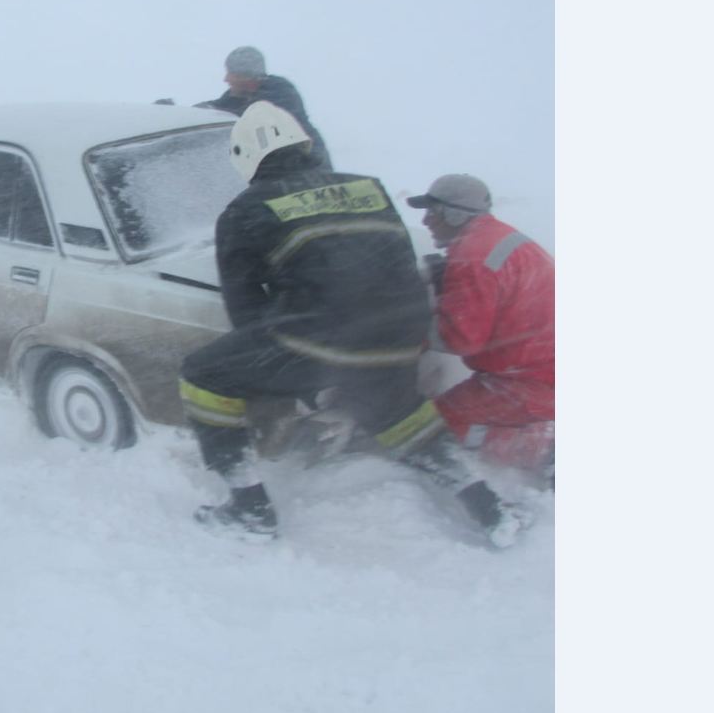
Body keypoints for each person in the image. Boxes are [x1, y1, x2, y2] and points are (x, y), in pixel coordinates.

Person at [179, 103, 526, 545]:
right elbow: (392, 258)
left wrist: (295, 380)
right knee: (400, 414)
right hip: (401, 334)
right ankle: (492, 512)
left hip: (326, 340)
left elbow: (245, 311)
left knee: (203, 374)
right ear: (305, 145)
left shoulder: (244, 211)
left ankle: (250, 510)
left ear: (246, 158)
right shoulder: (368, 188)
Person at [407, 174, 555, 485]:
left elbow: (461, 339)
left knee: (437, 427)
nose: (426, 220)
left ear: (455, 214)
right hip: (541, 367)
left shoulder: (472, 257)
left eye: (433, 212)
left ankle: (545, 447)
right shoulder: (497, 238)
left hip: (532, 380)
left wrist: (409, 330)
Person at [195, 46, 331, 168]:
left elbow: (247, 115)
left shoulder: (280, 91)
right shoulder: (239, 94)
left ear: (247, 77)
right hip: (279, 167)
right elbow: (219, 106)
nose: (226, 79)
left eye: (232, 74)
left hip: (310, 163)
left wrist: (217, 112)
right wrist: (192, 111)